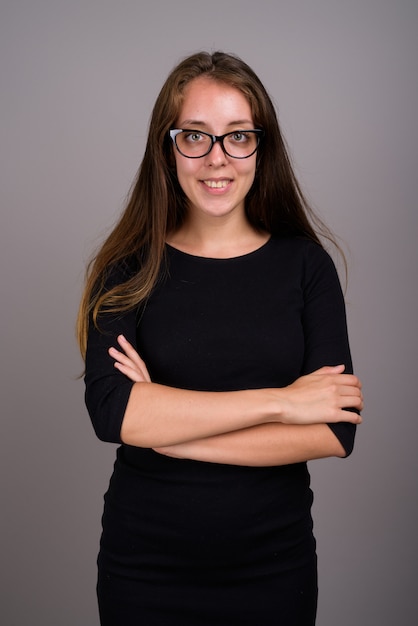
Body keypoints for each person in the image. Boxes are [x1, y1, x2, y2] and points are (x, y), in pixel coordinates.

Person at [77, 50, 363, 626]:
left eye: (237, 136)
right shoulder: (128, 269)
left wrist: (171, 431)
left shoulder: (306, 267)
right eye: (195, 136)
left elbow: (334, 428)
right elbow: (114, 414)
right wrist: (284, 402)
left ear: (261, 147)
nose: (217, 158)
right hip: (145, 568)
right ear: (168, 146)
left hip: (272, 569)